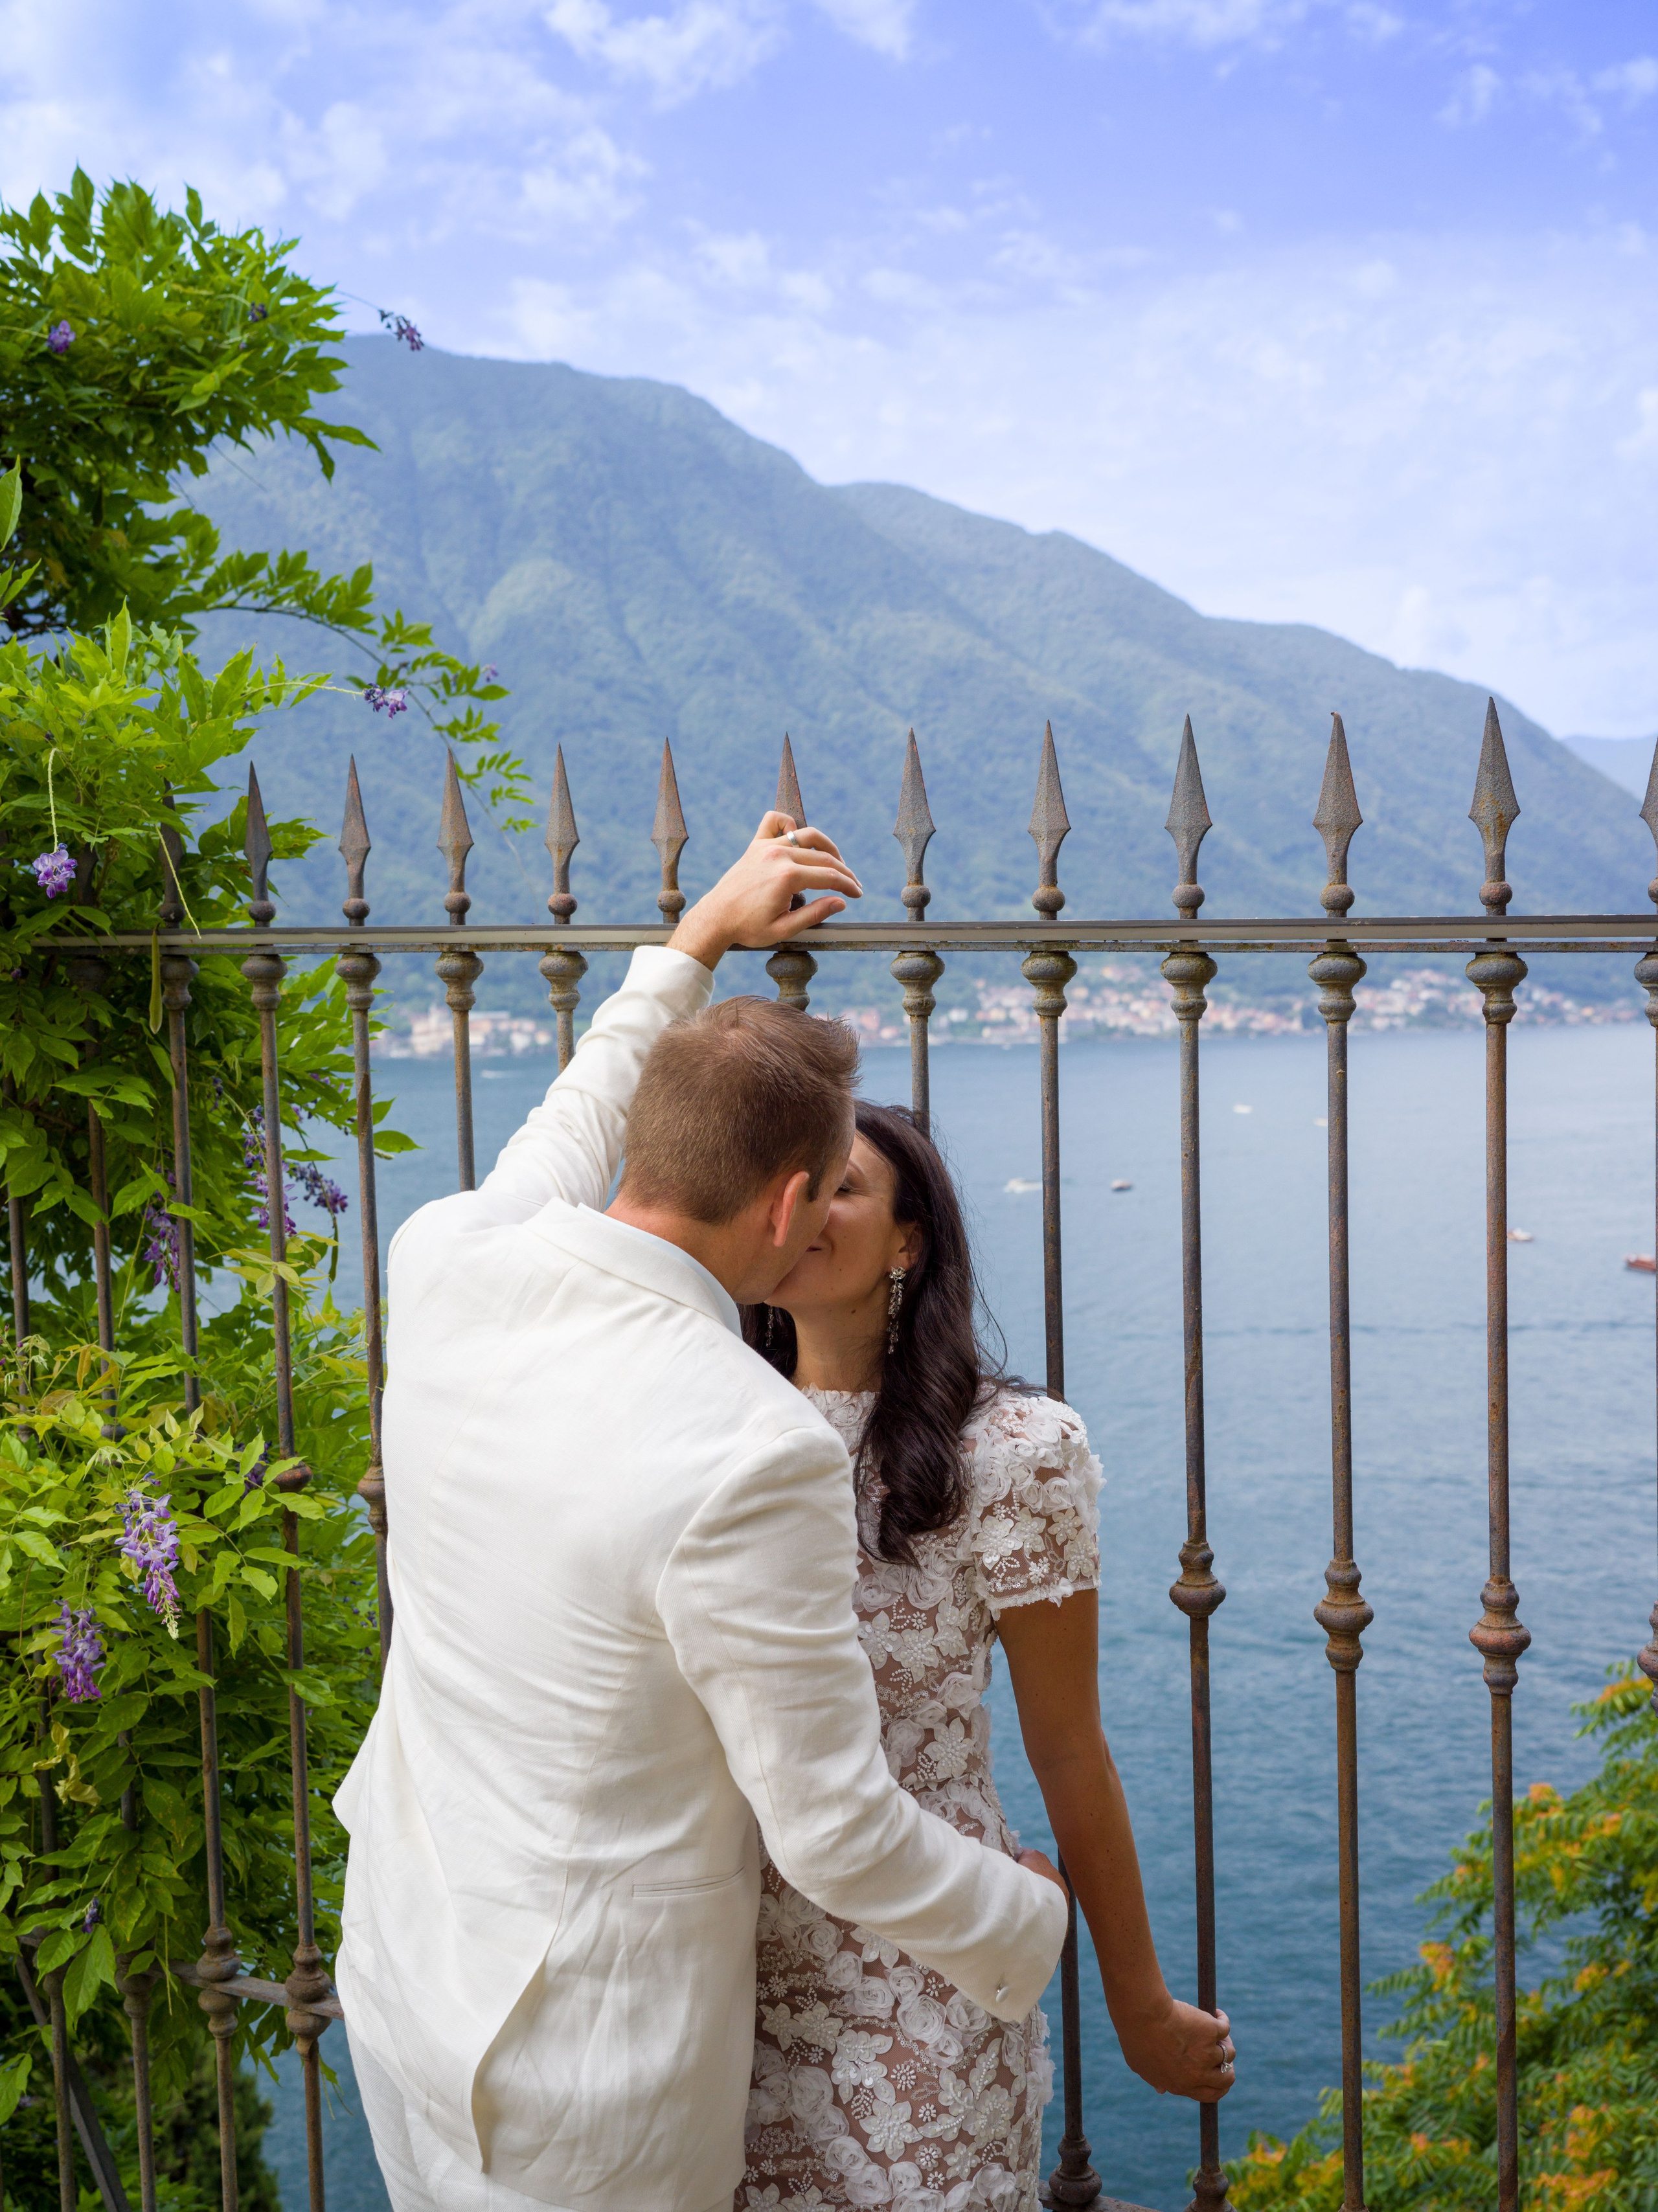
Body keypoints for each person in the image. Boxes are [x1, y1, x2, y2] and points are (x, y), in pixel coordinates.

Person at [334, 813, 1071, 2212]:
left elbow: (576, 1115)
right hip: (582, 2084)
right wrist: (1024, 1918)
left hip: (404, 1971)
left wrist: (693, 943)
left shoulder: (444, 1258)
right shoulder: (752, 1445)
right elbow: (835, 1829)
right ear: (791, 1203)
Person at [738, 1103, 1235, 2212]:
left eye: (842, 1188)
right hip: (720, 1971)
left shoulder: (1012, 1453)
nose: (807, 1209)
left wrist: (1139, 2006)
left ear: (909, 1242)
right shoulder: (702, 1425)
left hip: (928, 1966)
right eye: (794, 1185)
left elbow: (1069, 1748)